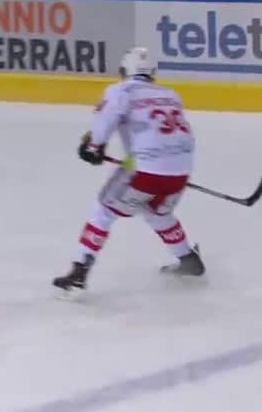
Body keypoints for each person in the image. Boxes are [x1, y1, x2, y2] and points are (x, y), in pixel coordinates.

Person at [53, 46, 204, 298]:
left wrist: (94, 147)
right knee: (157, 212)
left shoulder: (121, 91)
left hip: (145, 170)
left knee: (103, 210)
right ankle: (188, 259)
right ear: (151, 72)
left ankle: (79, 269)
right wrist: (171, 166)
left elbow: (105, 121)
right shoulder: (170, 94)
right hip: (181, 171)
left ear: (125, 70)